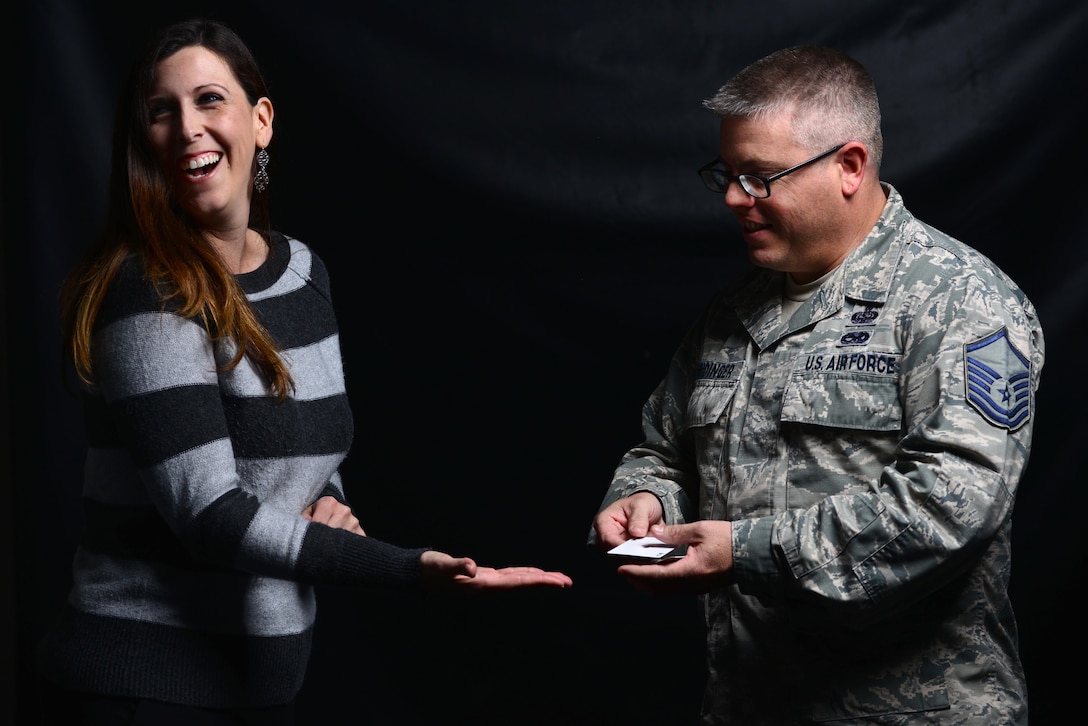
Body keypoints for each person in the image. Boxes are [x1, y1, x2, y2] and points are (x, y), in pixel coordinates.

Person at [35, 17, 571, 724]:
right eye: (162, 112)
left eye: (209, 101)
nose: (188, 127)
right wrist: (407, 569)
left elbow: (315, 451)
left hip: (263, 682)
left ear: (260, 121)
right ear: (146, 143)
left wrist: (329, 499)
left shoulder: (302, 274)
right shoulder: (149, 290)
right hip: (146, 686)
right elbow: (211, 516)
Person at [590, 45, 1043, 725]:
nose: (735, 199)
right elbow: (664, 447)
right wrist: (644, 495)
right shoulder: (732, 311)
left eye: (760, 176)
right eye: (727, 173)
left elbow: (950, 508)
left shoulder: (960, 301)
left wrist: (747, 552)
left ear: (849, 166)